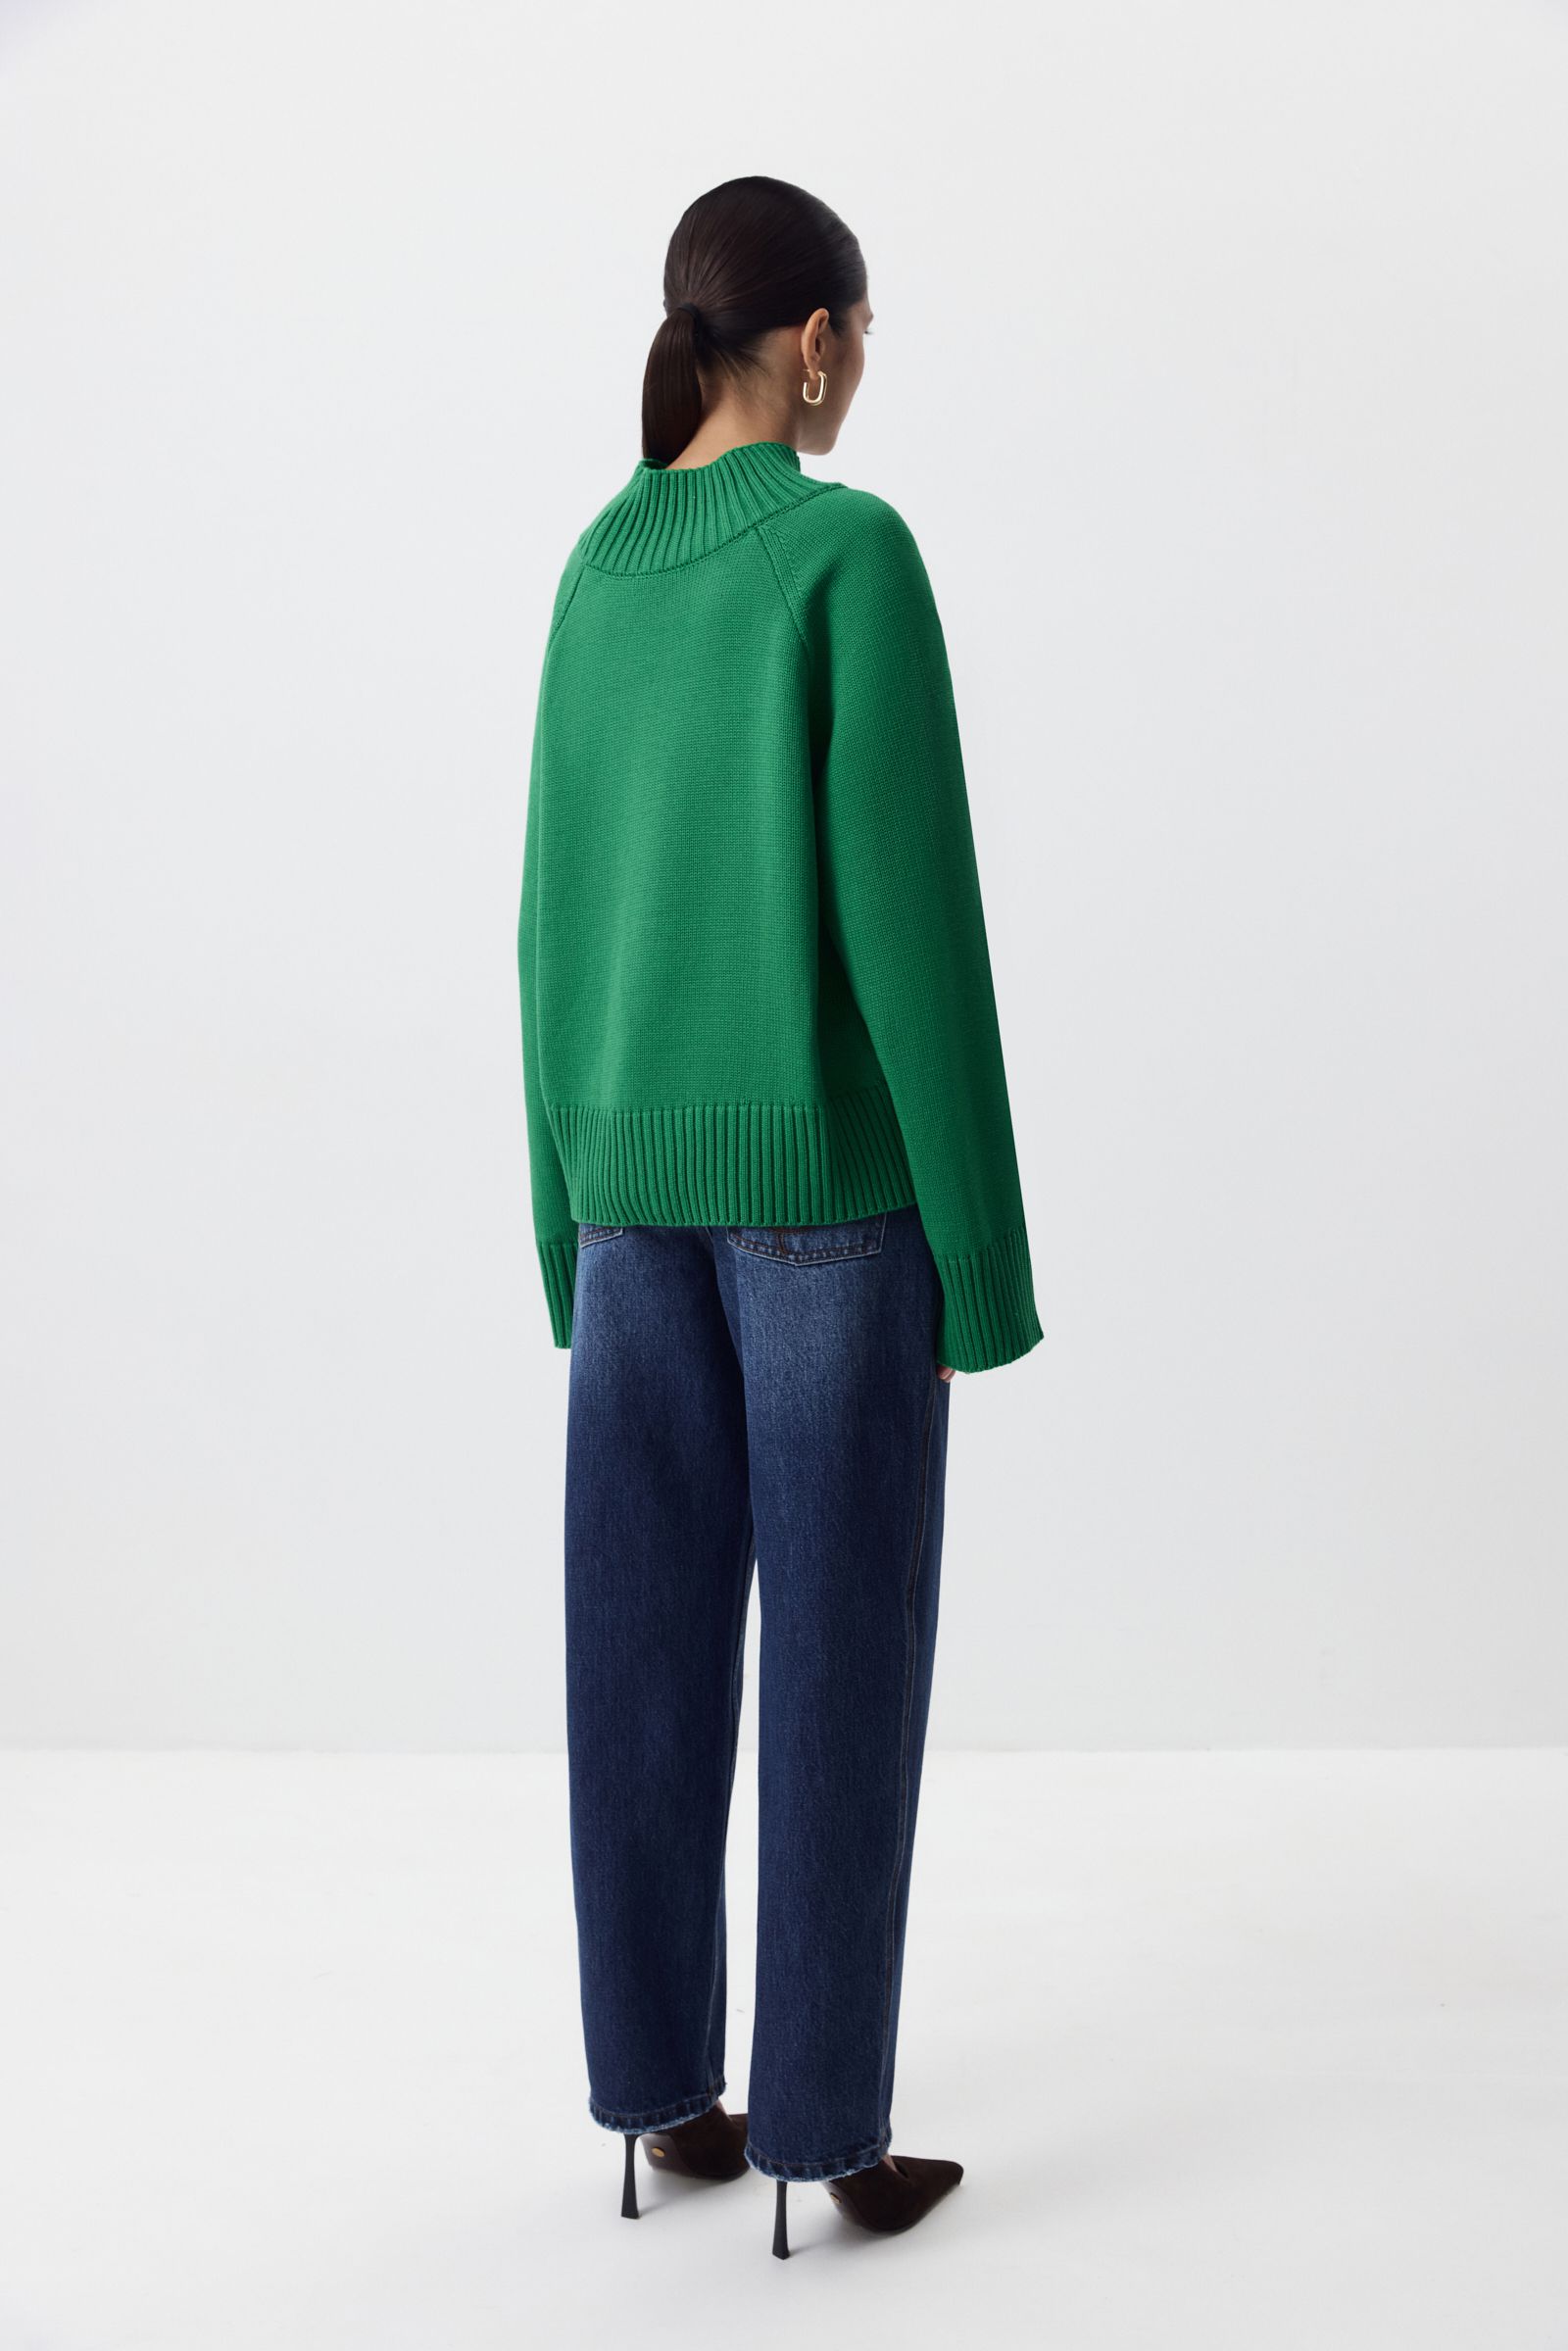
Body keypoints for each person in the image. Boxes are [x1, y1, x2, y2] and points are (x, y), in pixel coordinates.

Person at [517, 175, 1041, 2260]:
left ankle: (660, 2101)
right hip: (830, 1209)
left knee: (636, 1669)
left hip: (629, 1207)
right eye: (864, 338)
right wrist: (979, 1266)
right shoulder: (846, 553)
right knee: (839, 1668)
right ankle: (826, 2132)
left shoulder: (594, 567)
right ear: (815, 342)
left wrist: (560, 1211)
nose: (861, 372)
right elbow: (917, 932)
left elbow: (548, 916)